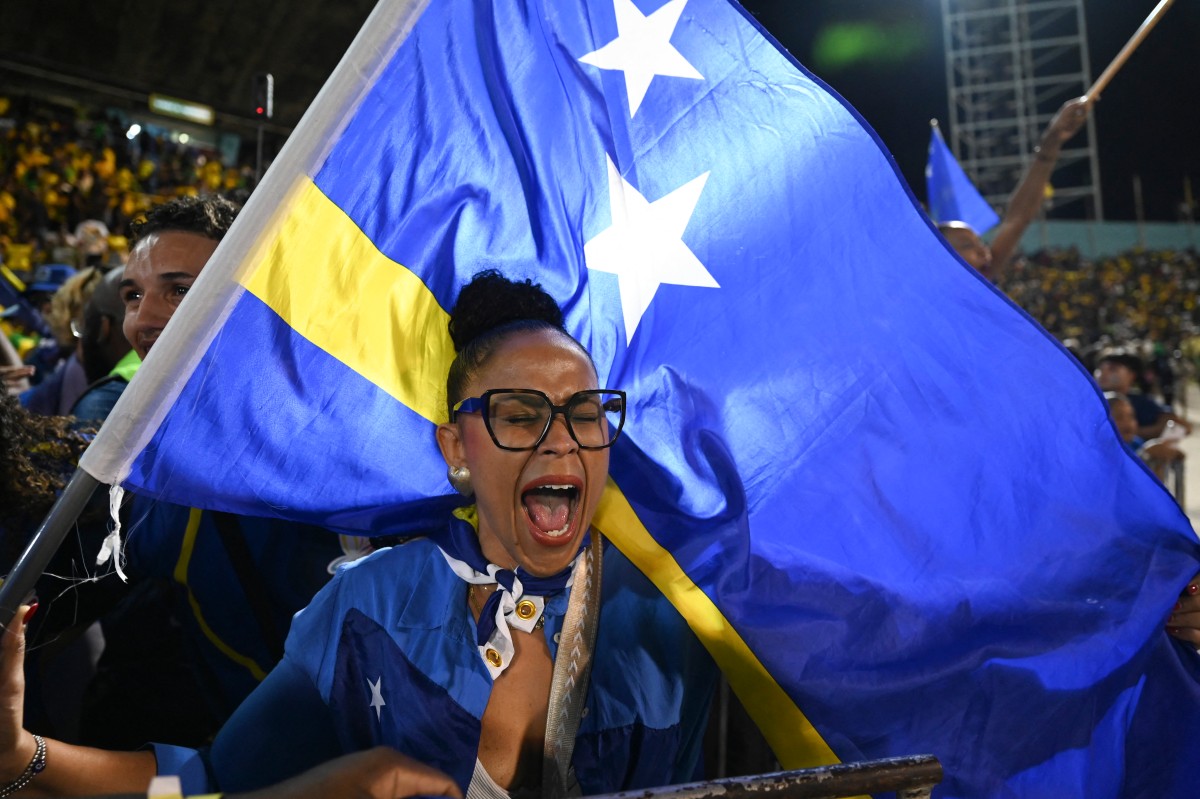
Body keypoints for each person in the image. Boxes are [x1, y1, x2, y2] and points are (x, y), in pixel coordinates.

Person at [0, 270, 718, 797]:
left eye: (585, 412)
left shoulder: (684, 621)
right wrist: (25, 758)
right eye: (519, 415)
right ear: (457, 449)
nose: (561, 440)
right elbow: (208, 785)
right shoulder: (369, 606)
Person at [939, 96, 1091, 281]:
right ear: (939, 257)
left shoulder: (986, 275)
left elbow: (1018, 218)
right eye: (967, 245)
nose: (983, 250)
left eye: (980, 242)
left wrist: (1052, 140)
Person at [1095, 350, 1190, 440]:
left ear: (1131, 375)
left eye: (1113, 369)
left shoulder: (1141, 403)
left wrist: (1131, 434)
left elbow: (1181, 426)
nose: (1103, 373)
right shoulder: (1093, 400)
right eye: (1100, 369)